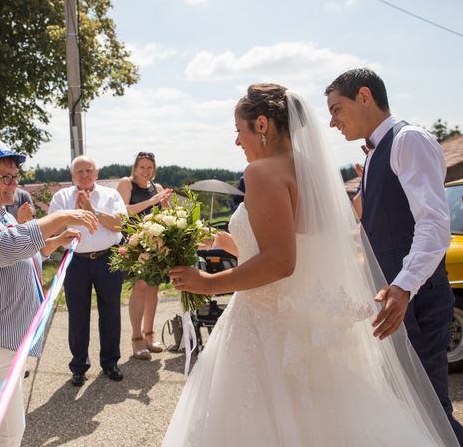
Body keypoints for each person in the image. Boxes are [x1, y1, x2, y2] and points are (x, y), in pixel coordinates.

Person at [162, 85, 458, 445]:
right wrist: (212, 239)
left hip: (265, 327)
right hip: (306, 329)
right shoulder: (312, 174)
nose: (237, 143)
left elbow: (280, 261)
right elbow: (285, 243)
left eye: (238, 131)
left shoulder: (262, 173)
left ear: (261, 124)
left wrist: (207, 283)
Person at [326, 67, 463, 443]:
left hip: (416, 302)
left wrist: (402, 288)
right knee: (408, 409)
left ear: (365, 96)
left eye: (337, 109)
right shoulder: (373, 155)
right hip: (395, 304)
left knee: (429, 411)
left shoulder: (409, 141)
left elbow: (434, 225)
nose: (332, 121)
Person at [0, 137, 97, 447]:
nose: (13, 185)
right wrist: (60, 217)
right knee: (7, 435)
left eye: (16, 177)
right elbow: (5, 247)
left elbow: (18, 257)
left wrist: (55, 242)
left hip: (0, 342)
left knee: (4, 434)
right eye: (5, 177)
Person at [48, 156, 128, 386]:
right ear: (72, 175)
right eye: (79, 171)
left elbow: (121, 224)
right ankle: (79, 366)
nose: (84, 175)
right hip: (76, 261)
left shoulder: (111, 195)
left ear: (97, 172)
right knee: (78, 314)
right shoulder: (61, 197)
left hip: (107, 258)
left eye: (88, 170)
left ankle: (110, 362)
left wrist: (92, 211)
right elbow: (53, 228)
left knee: (111, 311)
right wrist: (73, 213)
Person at [116, 152, 173, 360]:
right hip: (133, 242)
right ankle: (136, 338)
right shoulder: (126, 184)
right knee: (140, 285)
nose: (145, 172)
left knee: (153, 286)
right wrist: (151, 201)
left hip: (155, 242)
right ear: (135, 168)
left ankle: (150, 334)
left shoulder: (156, 188)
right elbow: (123, 212)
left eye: (149, 168)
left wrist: (165, 204)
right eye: (142, 167)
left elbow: (164, 215)